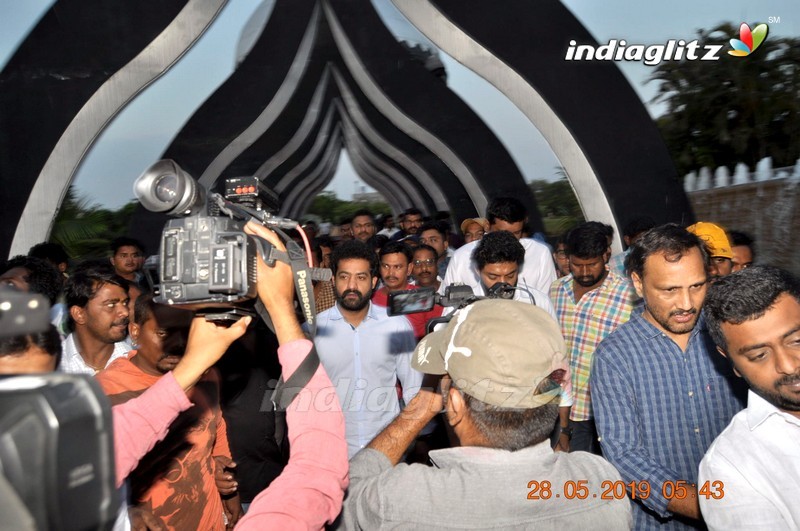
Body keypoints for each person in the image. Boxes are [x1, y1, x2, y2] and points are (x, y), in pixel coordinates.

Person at [335, 299, 631, 529]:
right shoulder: (600, 481)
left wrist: (420, 408)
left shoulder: (400, 498)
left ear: (454, 405)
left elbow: (342, 505)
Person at [590, 224, 745, 529]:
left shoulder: (729, 338)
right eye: (670, 290)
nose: (686, 304)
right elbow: (625, 456)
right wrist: (708, 506)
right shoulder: (614, 356)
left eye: (698, 286)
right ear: (638, 283)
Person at [96, 294, 242, 529]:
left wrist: (225, 483)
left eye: (185, 333)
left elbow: (216, 436)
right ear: (135, 331)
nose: (176, 343)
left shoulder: (206, 375)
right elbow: (91, 479)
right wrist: (123, 513)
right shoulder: (106, 390)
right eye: (164, 333)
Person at [699, 266, 800, 529]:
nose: (788, 366)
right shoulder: (729, 468)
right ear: (731, 361)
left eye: (797, 341)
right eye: (759, 356)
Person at [312, 239, 421, 457]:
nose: (352, 286)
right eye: (344, 277)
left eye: (361, 277)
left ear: (373, 281)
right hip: (331, 452)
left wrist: (404, 441)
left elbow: (413, 391)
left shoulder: (397, 326)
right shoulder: (313, 330)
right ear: (333, 280)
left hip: (388, 451)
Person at [549, 223, 636, 454]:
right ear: (567, 258)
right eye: (577, 265)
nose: (585, 272)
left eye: (592, 264)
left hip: (602, 412)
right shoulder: (556, 290)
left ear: (605, 256)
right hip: (559, 407)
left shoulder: (628, 295)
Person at [441, 197, 556, 297]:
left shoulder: (540, 253)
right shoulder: (461, 257)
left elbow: (547, 300)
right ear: (487, 226)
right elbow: (451, 303)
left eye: (516, 233)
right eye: (503, 233)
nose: (509, 239)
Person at [61, 263, 131, 374]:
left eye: (125, 303)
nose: (125, 312)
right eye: (111, 305)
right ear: (79, 314)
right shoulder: (53, 366)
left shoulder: (134, 360)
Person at [471, 231, 556, 318]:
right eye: (493, 277)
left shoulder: (539, 303)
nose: (503, 283)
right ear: (478, 270)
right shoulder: (464, 307)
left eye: (510, 276)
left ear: (518, 269)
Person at [372, 241, 415, 306]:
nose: (391, 273)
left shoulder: (423, 298)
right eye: (386, 266)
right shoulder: (371, 301)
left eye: (397, 267)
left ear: (409, 268)